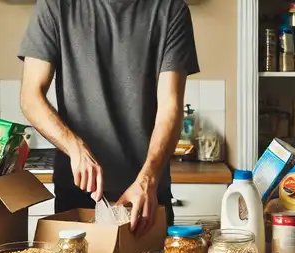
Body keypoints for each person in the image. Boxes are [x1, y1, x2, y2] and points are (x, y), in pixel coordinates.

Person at [19, 0, 199, 236]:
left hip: (145, 197)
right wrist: (76, 148)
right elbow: (30, 97)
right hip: (78, 196)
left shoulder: (171, 10)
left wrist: (147, 180)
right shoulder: (55, 6)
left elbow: (170, 108)